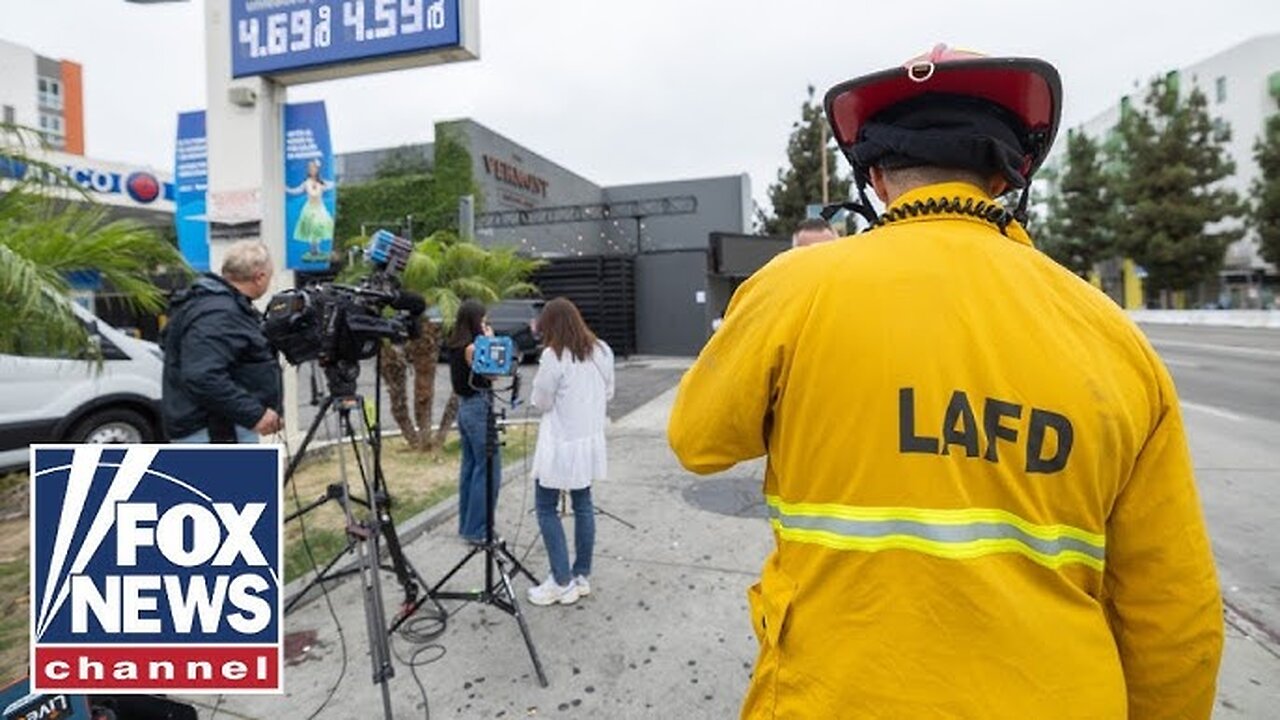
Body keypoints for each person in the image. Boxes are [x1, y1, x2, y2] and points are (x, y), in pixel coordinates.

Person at [668, 44, 1222, 718]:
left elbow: (698, 442)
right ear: (1008, 175)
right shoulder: (1114, 339)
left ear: (875, 177)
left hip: (835, 697)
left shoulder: (793, 289)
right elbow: (1174, 613)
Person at [524, 298, 615, 607]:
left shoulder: (553, 355)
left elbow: (541, 401)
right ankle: (580, 575)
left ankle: (561, 581)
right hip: (588, 442)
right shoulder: (602, 350)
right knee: (584, 503)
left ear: (551, 325)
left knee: (546, 507)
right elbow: (609, 392)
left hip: (560, 444)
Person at [162, 240, 283, 443]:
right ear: (260, 277)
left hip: (221, 426)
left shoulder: (213, 302)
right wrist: (254, 414)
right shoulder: (220, 313)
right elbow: (202, 375)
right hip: (214, 431)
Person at [448, 299, 500, 544]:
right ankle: (479, 529)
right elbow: (493, 373)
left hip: (465, 407)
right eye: (483, 320)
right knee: (489, 469)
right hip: (479, 406)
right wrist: (490, 341)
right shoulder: (472, 348)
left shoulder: (456, 345)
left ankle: (468, 526)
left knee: (471, 468)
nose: (486, 324)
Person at [287, 159, 334, 261]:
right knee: (311, 228)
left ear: (317, 170)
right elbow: (297, 191)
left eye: (314, 168)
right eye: (310, 168)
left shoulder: (321, 182)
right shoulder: (307, 183)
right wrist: (287, 189)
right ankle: (313, 250)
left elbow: (330, 185)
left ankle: (317, 249)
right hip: (310, 209)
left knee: (320, 227)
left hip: (319, 208)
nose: (312, 170)